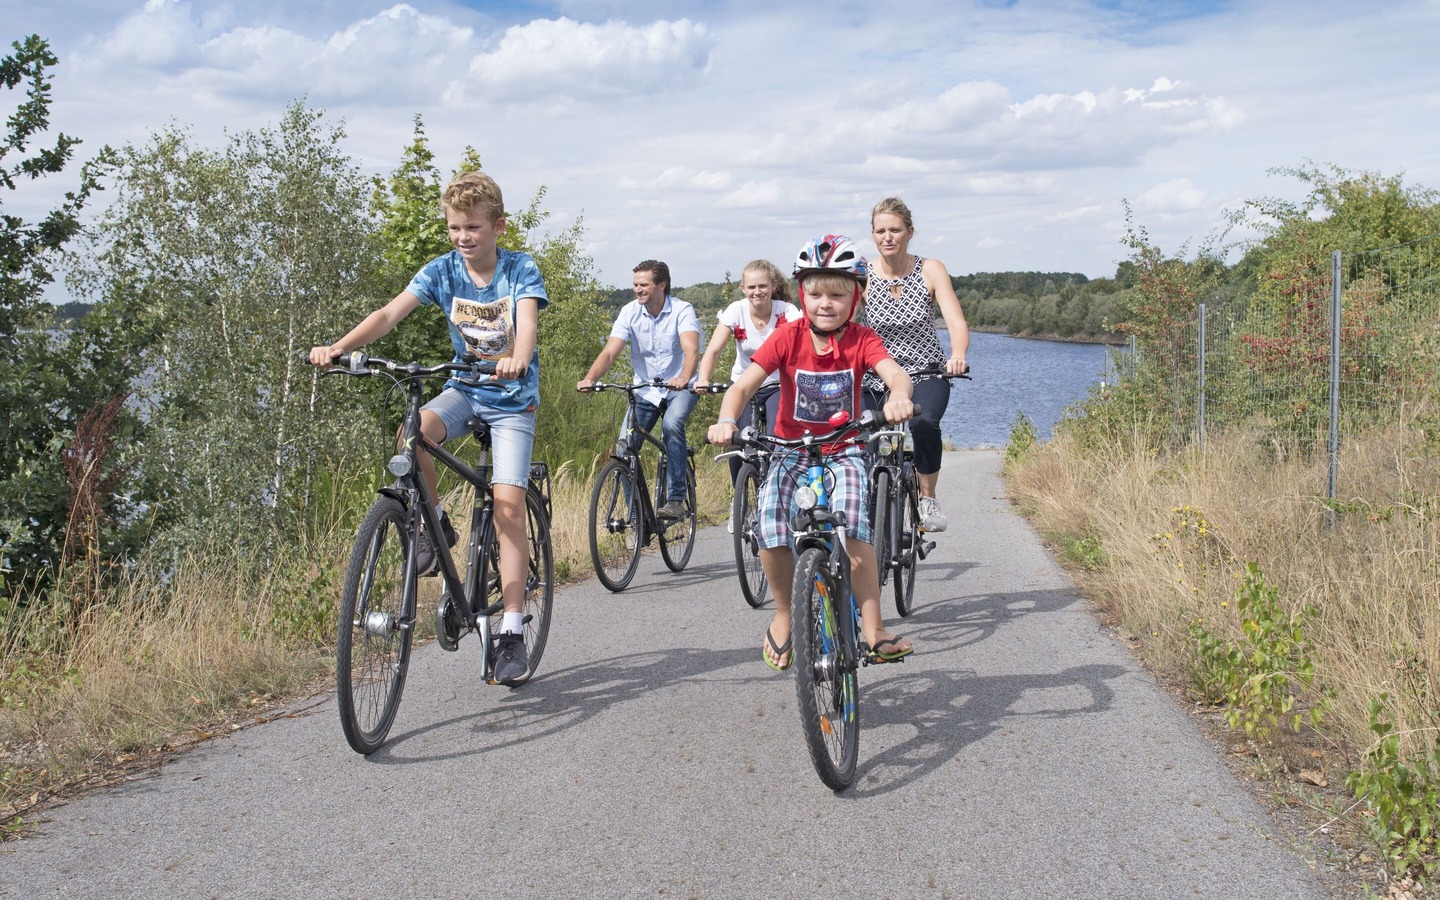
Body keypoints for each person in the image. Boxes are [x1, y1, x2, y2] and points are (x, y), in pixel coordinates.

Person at [309, 171, 546, 687]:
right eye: (455, 227)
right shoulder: (441, 270)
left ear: (498, 227)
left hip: (511, 401)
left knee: (506, 505)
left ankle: (510, 629)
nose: (463, 237)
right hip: (465, 388)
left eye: (474, 228)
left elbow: (525, 324)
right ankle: (430, 522)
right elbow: (389, 313)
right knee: (413, 431)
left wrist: (517, 360)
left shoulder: (519, 270)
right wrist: (340, 348)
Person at [707, 234, 916, 671]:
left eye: (837, 294)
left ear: (855, 298)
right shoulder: (787, 337)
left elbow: (895, 374)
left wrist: (898, 395)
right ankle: (784, 614)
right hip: (789, 448)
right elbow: (744, 385)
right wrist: (728, 419)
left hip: (845, 449)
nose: (826, 303)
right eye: (816, 293)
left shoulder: (862, 339)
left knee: (855, 526)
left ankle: (873, 628)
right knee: (769, 523)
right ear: (802, 294)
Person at [860, 197, 971, 533]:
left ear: (910, 232)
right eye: (880, 231)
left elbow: (955, 322)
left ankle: (927, 497)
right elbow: (842, 323)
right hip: (875, 374)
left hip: (926, 370)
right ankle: (865, 497)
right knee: (861, 431)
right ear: (873, 235)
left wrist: (958, 355)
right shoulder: (862, 274)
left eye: (895, 230)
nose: (887, 237)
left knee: (924, 424)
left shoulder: (930, 269)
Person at [577, 260, 701, 520]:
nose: (637, 289)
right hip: (645, 390)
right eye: (635, 284)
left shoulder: (682, 310)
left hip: (680, 387)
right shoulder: (629, 312)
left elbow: (691, 350)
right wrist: (590, 378)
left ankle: (676, 499)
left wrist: (684, 377)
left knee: (672, 425)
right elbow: (610, 351)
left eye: (643, 285)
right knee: (624, 449)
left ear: (661, 285)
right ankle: (636, 518)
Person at [694, 259, 802, 483]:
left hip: (776, 384)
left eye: (762, 286)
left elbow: (801, 349)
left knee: (775, 435)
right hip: (743, 384)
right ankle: (739, 497)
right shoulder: (736, 311)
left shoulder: (788, 312)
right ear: (743, 288)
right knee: (735, 438)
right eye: (751, 287)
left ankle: (775, 486)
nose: (757, 292)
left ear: (773, 285)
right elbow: (713, 350)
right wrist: (703, 378)